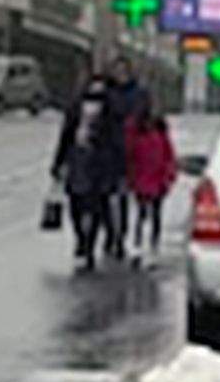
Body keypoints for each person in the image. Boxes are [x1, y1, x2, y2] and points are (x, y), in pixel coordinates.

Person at [52, 60, 134, 271]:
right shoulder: (75, 107)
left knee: (97, 205)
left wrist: (121, 167)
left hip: (101, 163)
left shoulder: (112, 110)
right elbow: (66, 135)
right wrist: (58, 163)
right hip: (78, 159)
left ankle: (88, 245)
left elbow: (117, 139)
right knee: (76, 203)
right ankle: (81, 237)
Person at [124, 91, 179, 255]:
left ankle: (150, 243)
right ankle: (139, 242)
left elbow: (168, 154)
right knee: (143, 212)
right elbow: (130, 153)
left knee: (154, 213)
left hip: (156, 176)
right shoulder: (136, 130)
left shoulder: (160, 130)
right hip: (143, 176)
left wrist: (169, 175)